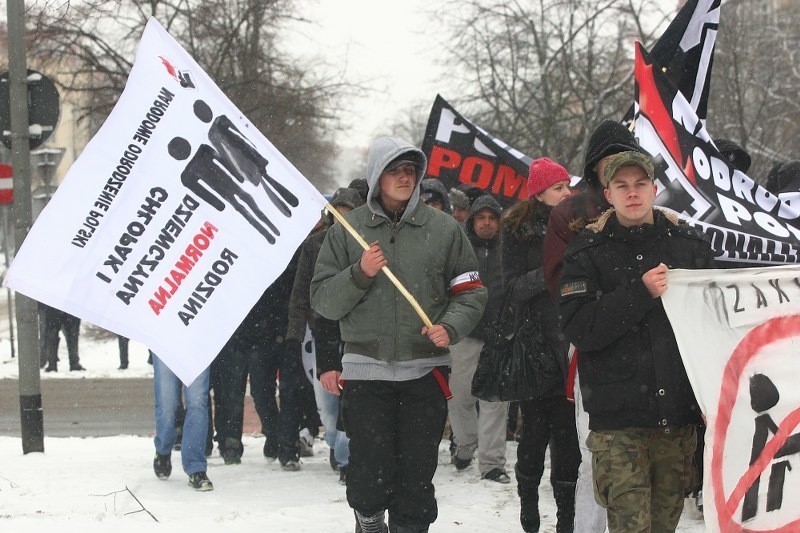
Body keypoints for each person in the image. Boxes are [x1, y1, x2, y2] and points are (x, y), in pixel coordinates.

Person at [311, 136, 487, 533]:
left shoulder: (444, 230)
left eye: (411, 169)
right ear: (376, 176)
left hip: (425, 374)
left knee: (415, 479)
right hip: (365, 372)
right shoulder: (347, 231)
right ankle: (369, 521)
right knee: (369, 473)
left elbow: (471, 292)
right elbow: (322, 301)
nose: (405, 177)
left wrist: (451, 326)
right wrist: (361, 273)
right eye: (395, 169)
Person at [558, 150, 716, 532]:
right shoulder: (586, 251)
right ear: (608, 194)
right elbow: (580, 327)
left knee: (665, 527)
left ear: (655, 189)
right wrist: (638, 292)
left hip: (677, 419)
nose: (633, 193)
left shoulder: (688, 245)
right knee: (630, 527)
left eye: (640, 184)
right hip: (618, 422)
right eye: (622, 186)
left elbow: (715, 318)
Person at [542, 119, 646, 533]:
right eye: (610, 162)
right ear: (594, 167)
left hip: (652, 350)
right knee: (598, 452)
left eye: (628, 163)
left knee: (646, 454)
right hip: (594, 347)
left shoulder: (653, 210)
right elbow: (561, 283)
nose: (620, 171)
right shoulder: (570, 213)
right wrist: (618, 301)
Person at [503, 157, 579, 533]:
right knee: (532, 438)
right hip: (533, 350)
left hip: (570, 344)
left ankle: (566, 519)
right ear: (539, 193)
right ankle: (528, 512)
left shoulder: (579, 226)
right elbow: (511, 288)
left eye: (568, 186)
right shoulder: (516, 230)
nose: (568, 193)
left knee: (569, 444)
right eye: (559, 188)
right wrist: (551, 268)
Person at [285, 186, 365, 484]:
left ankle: (346, 457)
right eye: (338, 213)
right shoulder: (315, 245)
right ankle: (334, 442)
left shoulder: (369, 245)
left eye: (349, 213)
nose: (343, 219)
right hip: (322, 330)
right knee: (329, 402)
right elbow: (300, 291)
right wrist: (295, 332)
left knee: (352, 399)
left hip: (358, 331)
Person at [212, 250, 302, 469]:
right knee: (260, 393)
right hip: (255, 334)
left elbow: (299, 286)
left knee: (290, 393)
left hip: (289, 331)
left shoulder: (292, 249)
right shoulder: (246, 250)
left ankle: (287, 447)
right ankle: (273, 434)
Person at [447, 194, 509, 483]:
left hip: (500, 333)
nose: (486, 223)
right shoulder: (459, 247)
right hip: (465, 331)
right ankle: (465, 444)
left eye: (491, 218)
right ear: (472, 220)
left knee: (496, 400)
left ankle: (492, 463)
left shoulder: (509, 249)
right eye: (481, 218)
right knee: (460, 395)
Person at [151, 351, 213, 491]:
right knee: (167, 404)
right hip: (164, 342)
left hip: (198, 344)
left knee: (197, 403)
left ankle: (196, 467)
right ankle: (163, 448)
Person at [38, 302, 84, 372]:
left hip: (54, 307)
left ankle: (52, 364)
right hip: (67, 306)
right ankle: (73, 363)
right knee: (72, 336)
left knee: (52, 336)